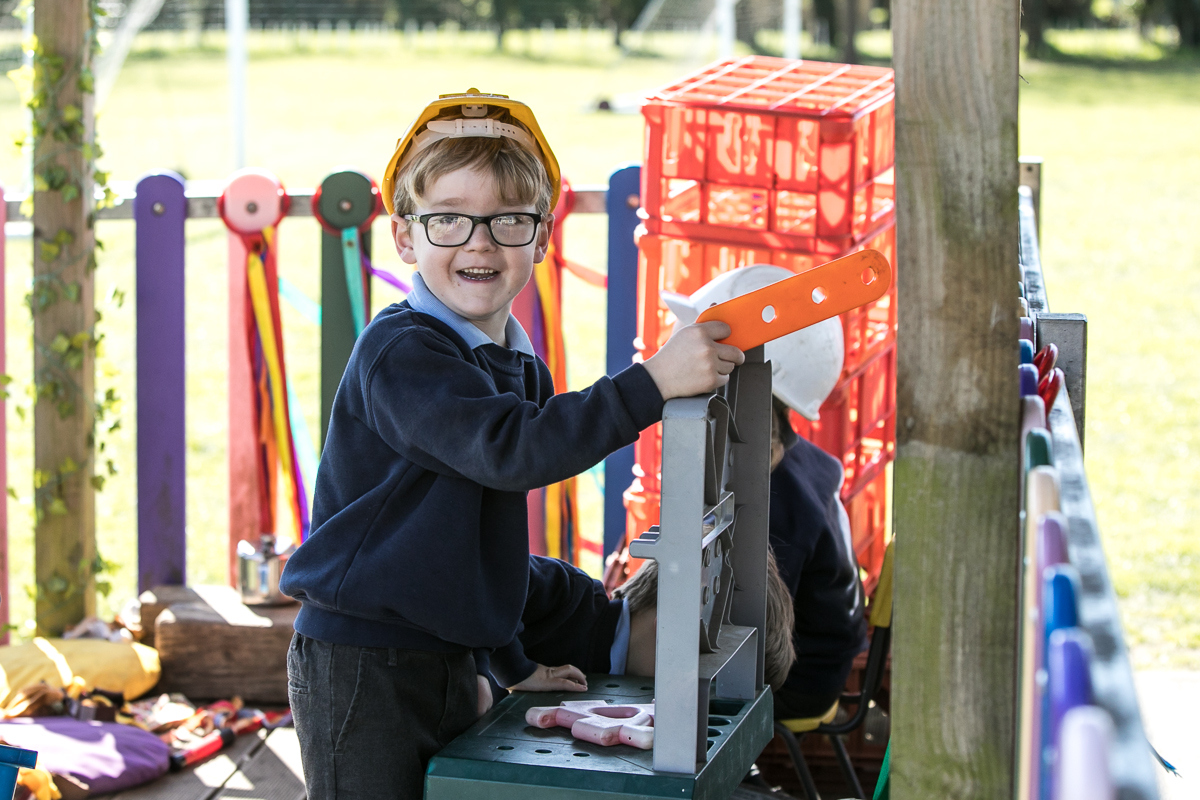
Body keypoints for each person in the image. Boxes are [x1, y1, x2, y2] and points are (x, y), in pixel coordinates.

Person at [277, 89, 744, 799]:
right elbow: (513, 450)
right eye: (448, 221)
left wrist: (511, 661)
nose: (480, 242)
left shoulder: (516, 365)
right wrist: (650, 384)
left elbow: (480, 542)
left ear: (542, 238)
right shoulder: (400, 352)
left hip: (445, 657)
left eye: (508, 221)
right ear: (405, 237)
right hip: (362, 657)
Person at [663, 265, 869, 719]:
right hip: (824, 653)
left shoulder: (777, 510)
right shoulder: (791, 460)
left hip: (801, 678)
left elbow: (754, 633)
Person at [485, 550, 797, 705]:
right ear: (674, 631)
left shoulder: (630, 692)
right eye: (704, 686)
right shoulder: (570, 598)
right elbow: (485, 576)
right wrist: (517, 670)